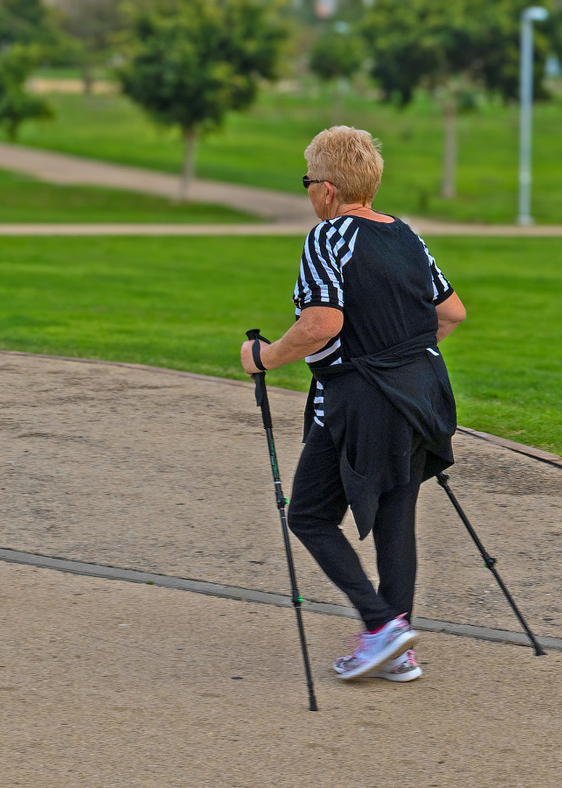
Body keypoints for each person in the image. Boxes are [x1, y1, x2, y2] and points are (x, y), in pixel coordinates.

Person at [240, 126, 466, 682]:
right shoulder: (404, 234)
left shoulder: (328, 238)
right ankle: (398, 650)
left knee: (310, 514)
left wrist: (263, 357)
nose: (309, 192)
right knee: (396, 516)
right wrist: (398, 356)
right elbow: (452, 313)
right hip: (421, 398)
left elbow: (321, 323)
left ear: (328, 189)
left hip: (357, 405)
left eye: (308, 181)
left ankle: (381, 626)